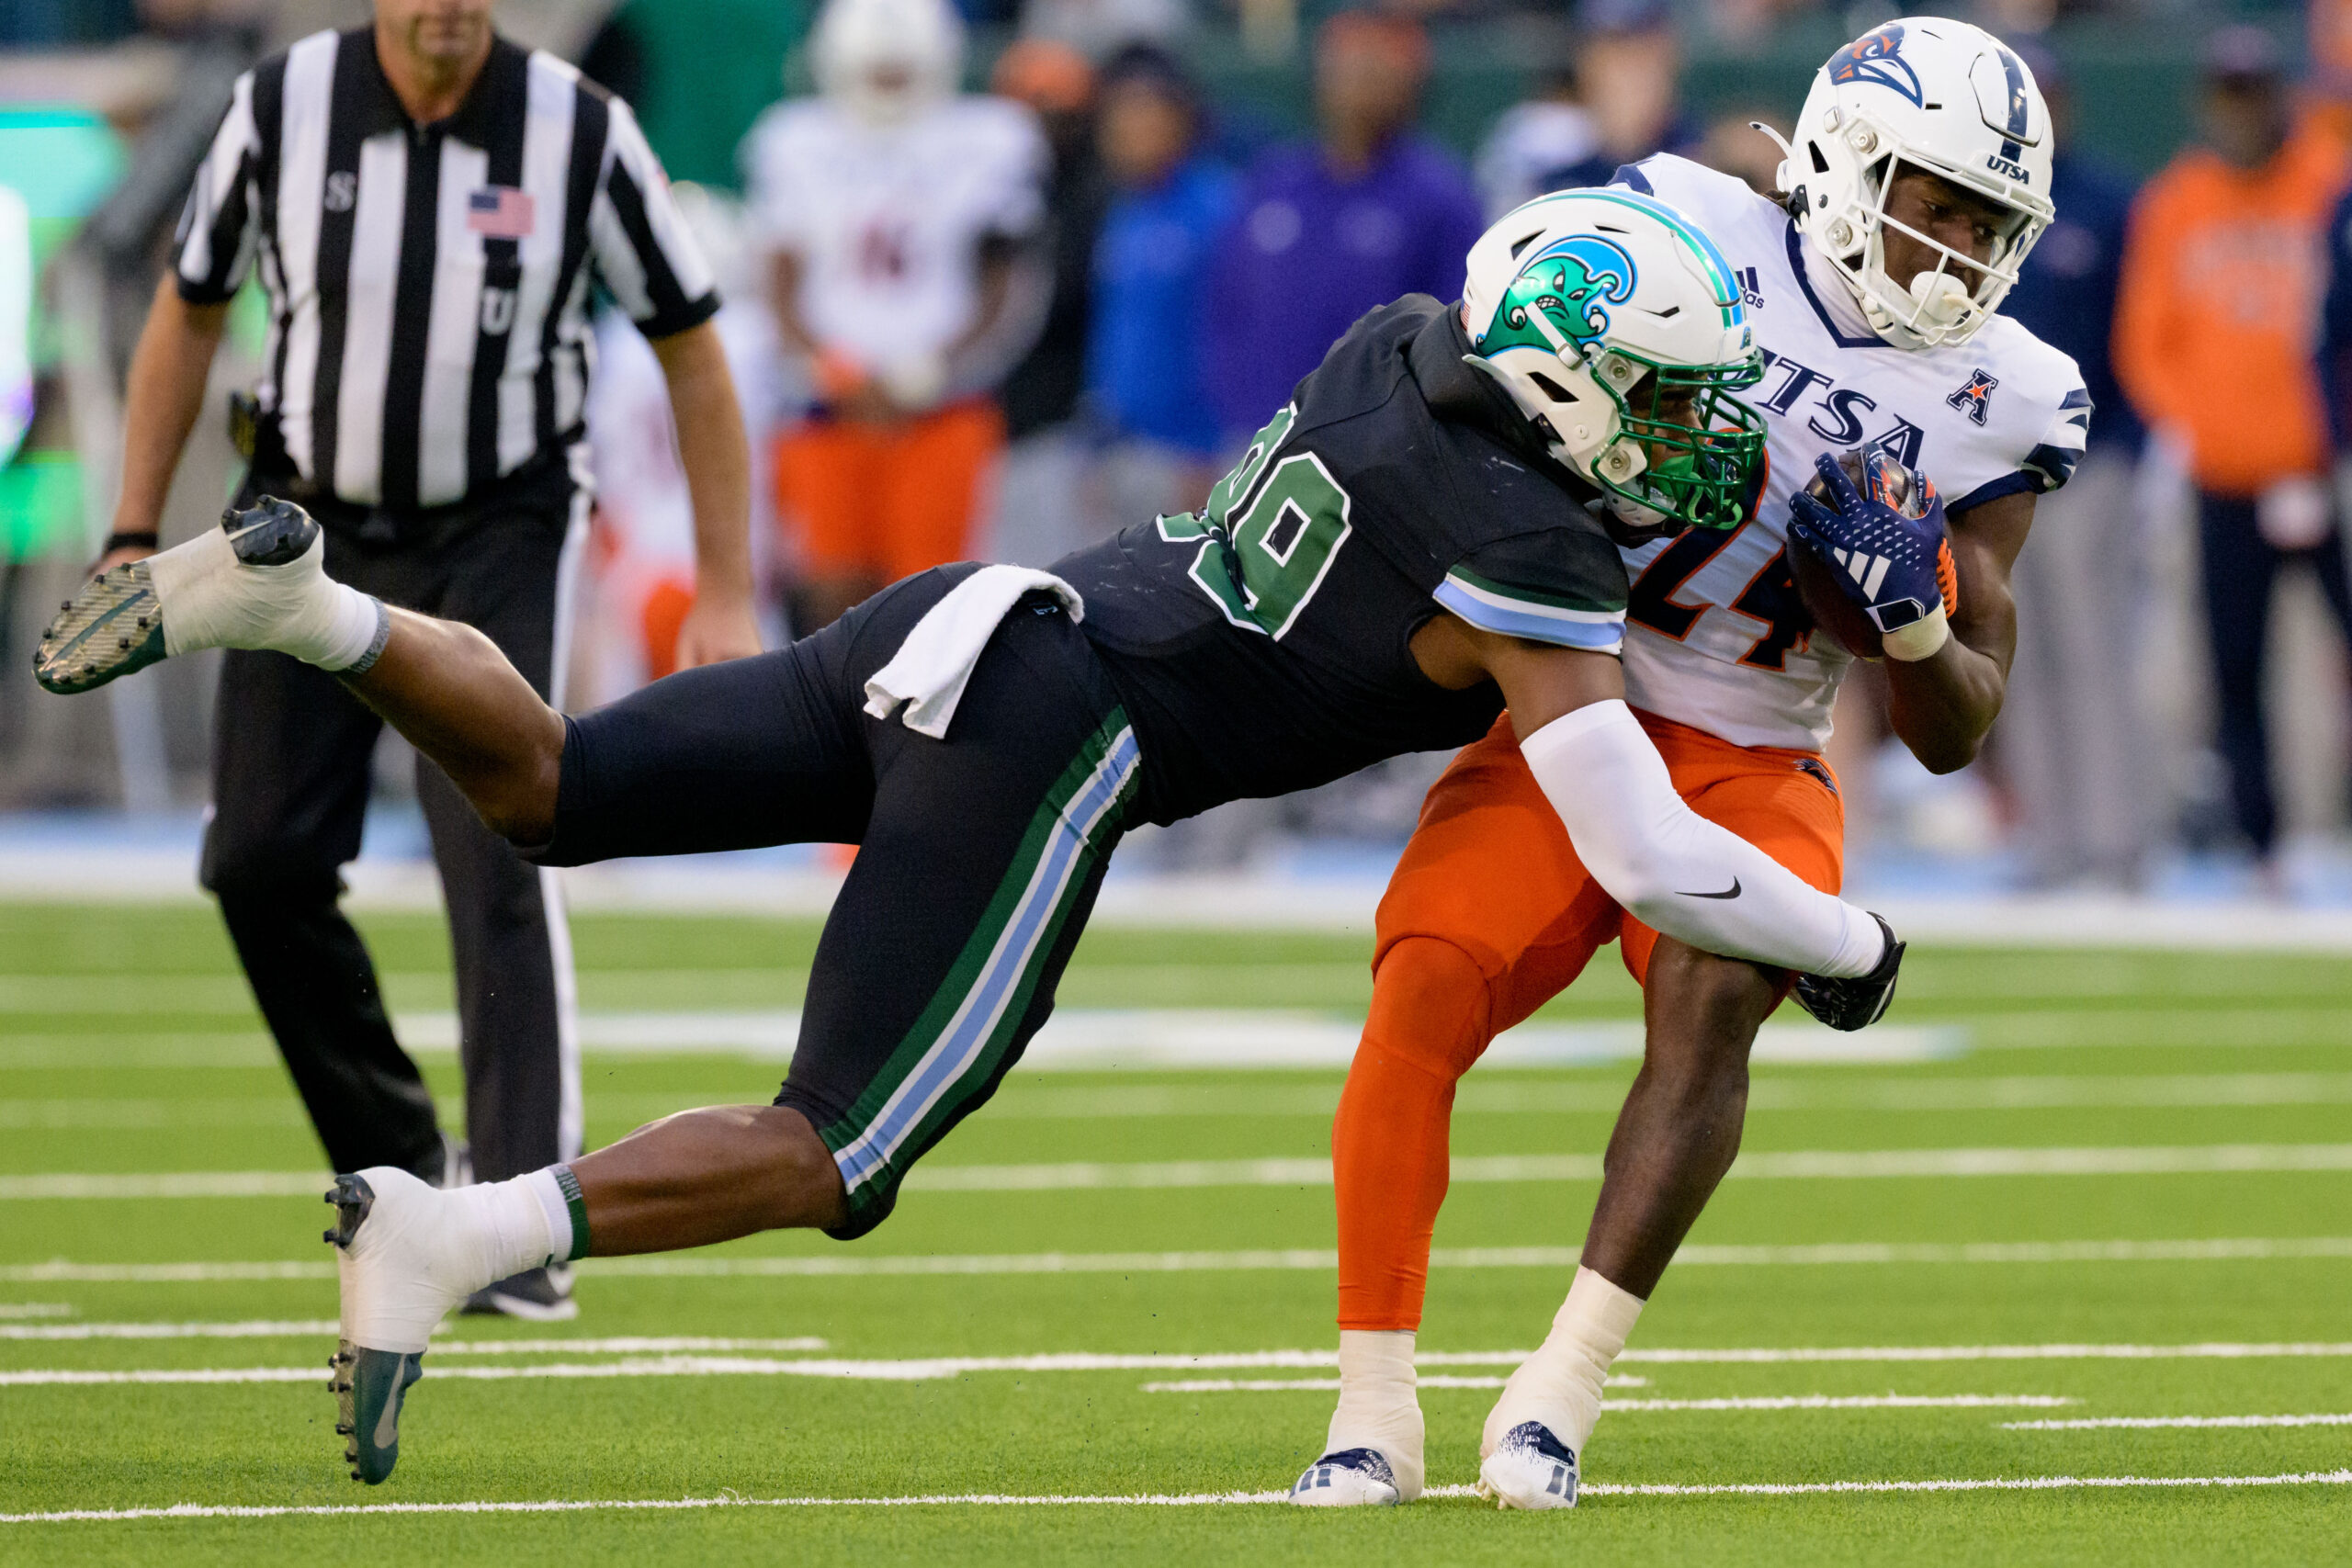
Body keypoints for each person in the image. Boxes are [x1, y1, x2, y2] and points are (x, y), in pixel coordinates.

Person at [41, 190, 1904, 1487]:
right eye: (1659, 394)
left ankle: (313, 614)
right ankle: (455, 1235)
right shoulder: (1528, 544)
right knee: (835, 1145)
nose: (1685, 431)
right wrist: (1849, 944)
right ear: (1568, 376)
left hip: (960, 610)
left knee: (550, 789)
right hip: (1053, 728)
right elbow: (1650, 856)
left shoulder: (1400, 345)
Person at [1293, 17, 2086, 1509]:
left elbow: (1964, 717)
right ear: (1851, 162)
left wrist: (1909, 623)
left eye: (1993, 223)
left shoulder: (2013, 395)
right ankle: (1370, 1405)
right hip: (1572, 691)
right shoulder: (1694, 222)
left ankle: (1557, 1396)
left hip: (1758, 745)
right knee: (1425, 984)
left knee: (1715, 991)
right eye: (1939, 200)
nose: (1962, 248)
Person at [80, 0, 756, 1322]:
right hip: (298, 533)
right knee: (259, 859)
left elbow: (692, 346)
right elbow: (190, 305)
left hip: (496, 526)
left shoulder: (579, 128)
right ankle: (407, 1156)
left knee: (499, 841)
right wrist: (129, 528)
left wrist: (727, 583)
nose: (443, 8)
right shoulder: (280, 107)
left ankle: (514, 1220)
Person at [2115, 27, 2352, 879]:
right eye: (2229, 96)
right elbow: (2147, 345)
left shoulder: (2329, 188)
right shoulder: (2177, 202)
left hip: (2327, 468)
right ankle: (2266, 847)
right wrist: (2211, 428)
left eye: (2255, 94)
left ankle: (2328, 826)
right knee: (2234, 665)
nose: (2242, 113)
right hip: (2225, 477)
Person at [744, 0, 1051, 631]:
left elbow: (1006, 281)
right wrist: (827, 363)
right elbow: (776, 276)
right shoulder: (795, 138)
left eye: (899, 71)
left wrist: (940, 367)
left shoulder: (988, 136)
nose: (887, 84)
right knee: (831, 598)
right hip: (827, 406)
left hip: (945, 406)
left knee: (938, 602)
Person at [1992, 43, 2152, 888]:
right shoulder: (1979, 204)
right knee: (2019, 656)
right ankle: (2049, 839)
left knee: (2096, 652)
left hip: (2092, 466)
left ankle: (2116, 840)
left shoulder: (2107, 203)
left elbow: (2140, 336)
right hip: (1999, 472)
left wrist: (2123, 449)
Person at [1201, 10, 1485, 446]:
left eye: (1375, 68)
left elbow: (1460, 330)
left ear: (1409, 85)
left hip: (1375, 450)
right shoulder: (1276, 180)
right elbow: (1228, 306)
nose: (1358, 82)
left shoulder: (1440, 196)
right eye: (1346, 65)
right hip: (1257, 438)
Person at [1084, 45, 1238, 534]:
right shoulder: (1123, 210)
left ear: (1182, 118)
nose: (1124, 127)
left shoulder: (1220, 208)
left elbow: (1240, 335)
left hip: (1190, 458)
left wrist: (1213, 450)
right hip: (1120, 446)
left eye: (1141, 109)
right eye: (1116, 112)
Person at [984, 39, 1108, 570]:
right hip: (980, 422)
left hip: (1062, 425)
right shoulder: (977, 189)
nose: (1039, 134)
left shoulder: (1097, 198)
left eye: (1057, 117)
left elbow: (1059, 304)